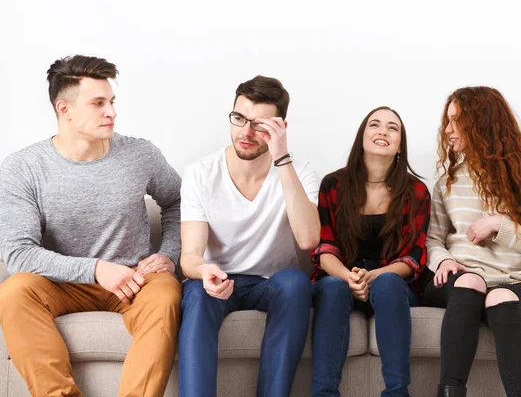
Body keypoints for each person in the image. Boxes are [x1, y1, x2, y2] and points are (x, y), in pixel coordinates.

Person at [0, 55, 182, 397]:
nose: (111, 112)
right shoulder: (22, 168)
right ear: (64, 109)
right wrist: (97, 269)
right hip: (61, 283)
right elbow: (18, 253)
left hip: (135, 281)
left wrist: (169, 254)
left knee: (166, 292)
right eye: (98, 103)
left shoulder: (140, 155)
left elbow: (178, 201)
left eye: (111, 102)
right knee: (13, 291)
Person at [423, 86, 521, 397]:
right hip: (457, 280)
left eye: (456, 121)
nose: (448, 129)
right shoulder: (447, 181)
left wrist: (500, 225)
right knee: (471, 284)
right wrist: (444, 260)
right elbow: (432, 239)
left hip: (511, 282)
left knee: (499, 298)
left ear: (481, 123)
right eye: (447, 121)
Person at [178, 75, 320, 397]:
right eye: (239, 119)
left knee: (296, 283)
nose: (245, 132)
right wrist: (205, 272)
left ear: (279, 127)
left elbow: (309, 240)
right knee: (198, 294)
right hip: (217, 280)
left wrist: (281, 158)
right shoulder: (200, 173)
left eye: (259, 125)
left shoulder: (301, 172)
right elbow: (189, 258)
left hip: (271, 284)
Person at [310, 106, 431, 397]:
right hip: (342, 275)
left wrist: (374, 276)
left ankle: (397, 392)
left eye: (393, 128)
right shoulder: (333, 184)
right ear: (362, 137)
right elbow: (324, 248)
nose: (383, 132)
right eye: (374, 125)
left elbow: (414, 257)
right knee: (332, 288)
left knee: (388, 283)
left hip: (392, 280)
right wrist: (349, 278)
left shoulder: (417, 191)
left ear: (400, 144)